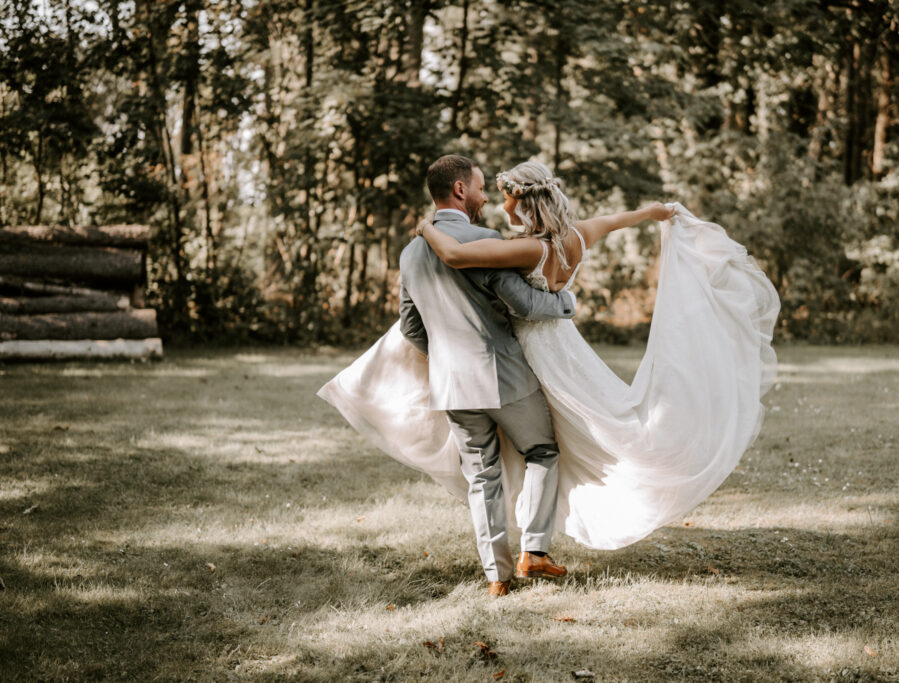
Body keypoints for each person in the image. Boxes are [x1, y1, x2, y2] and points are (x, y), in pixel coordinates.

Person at [318, 158, 780, 587]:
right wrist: (649, 216)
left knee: (482, 476)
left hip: (451, 383)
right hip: (510, 369)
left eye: (499, 193)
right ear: (460, 190)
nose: (490, 199)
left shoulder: (413, 254)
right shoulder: (499, 241)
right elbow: (522, 299)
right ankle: (534, 551)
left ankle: (496, 575)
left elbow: (411, 326)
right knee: (541, 449)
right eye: (481, 189)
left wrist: (442, 351)